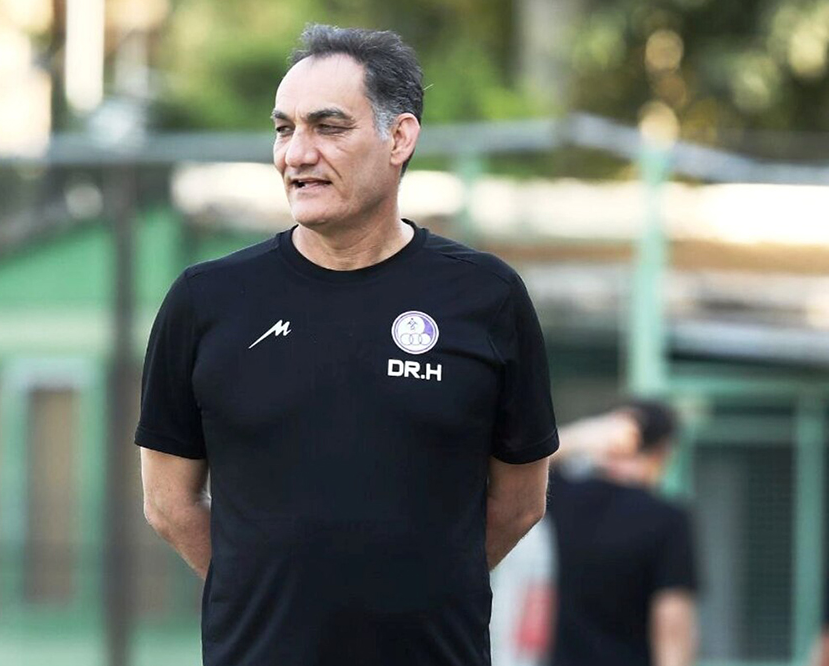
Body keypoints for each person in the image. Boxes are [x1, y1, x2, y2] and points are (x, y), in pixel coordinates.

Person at [136, 24, 559, 666]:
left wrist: (420, 588)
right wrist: (267, 594)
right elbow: (168, 503)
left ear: (400, 138)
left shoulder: (487, 297)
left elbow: (522, 502)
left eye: (327, 127)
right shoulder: (206, 301)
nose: (297, 154)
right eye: (284, 129)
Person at [546, 400, 698, 666]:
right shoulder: (667, 520)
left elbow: (531, 460)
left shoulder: (565, 498)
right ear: (663, 451)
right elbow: (672, 623)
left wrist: (588, 434)